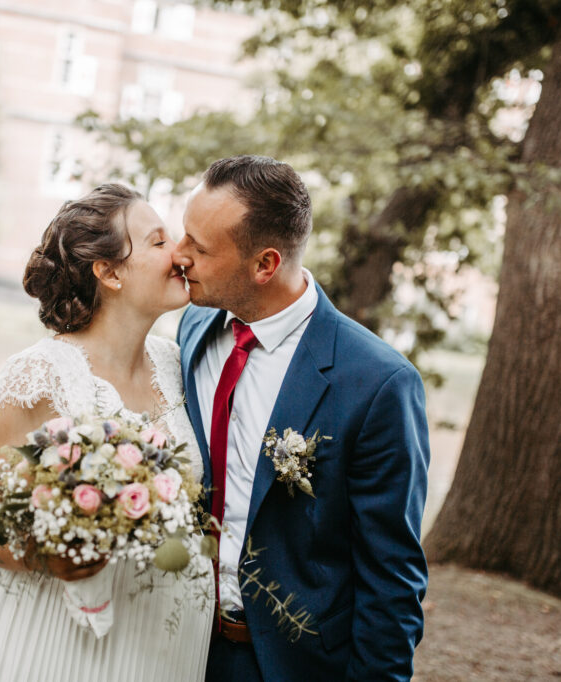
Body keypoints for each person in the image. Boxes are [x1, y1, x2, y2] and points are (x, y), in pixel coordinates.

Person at [173, 155, 430, 681]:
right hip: (177, 648)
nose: (178, 257)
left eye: (198, 248)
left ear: (265, 265)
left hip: (291, 665)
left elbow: (392, 578)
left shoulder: (378, 383)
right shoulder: (193, 328)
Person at [0, 184, 213, 681]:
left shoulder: (181, 364)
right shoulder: (35, 376)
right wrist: (46, 556)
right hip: (57, 634)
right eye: (159, 242)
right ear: (110, 271)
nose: (180, 252)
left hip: (162, 639)